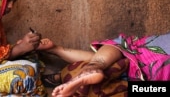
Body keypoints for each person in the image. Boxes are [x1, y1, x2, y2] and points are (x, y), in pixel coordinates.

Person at [39, 33, 170, 97]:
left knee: (122, 49)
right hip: (144, 71)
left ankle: (92, 66)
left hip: (137, 58)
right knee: (121, 52)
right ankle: (92, 66)